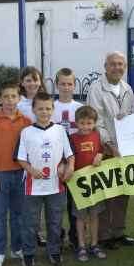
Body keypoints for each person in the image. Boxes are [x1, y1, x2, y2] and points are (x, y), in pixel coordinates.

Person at [16, 92, 74, 266]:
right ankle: (28, 254)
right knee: (31, 223)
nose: (44, 112)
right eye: (40, 108)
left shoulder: (59, 130)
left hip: (56, 186)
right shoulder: (26, 132)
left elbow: (69, 155)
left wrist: (69, 167)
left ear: (52, 109)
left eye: (48, 108)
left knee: (55, 221)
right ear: (33, 110)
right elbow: (20, 158)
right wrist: (31, 170)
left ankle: (54, 250)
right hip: (32, 187)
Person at [86, 51, 134, 249]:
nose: (117, 67)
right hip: (106, 149)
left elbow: (132, 116)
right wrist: (110, 145)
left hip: (126, 149)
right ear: (105, 66)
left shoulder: (127, 88)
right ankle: (104, 236)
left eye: (121, 64)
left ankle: (119, 232)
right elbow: (95, 121)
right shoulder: (96, 89)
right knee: (107, 193)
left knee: (124, 192)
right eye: (113, 64)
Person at [0, 82, 32, 266]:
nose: (10, 101)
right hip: (0, 175)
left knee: (19, 215)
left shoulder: (26, 121)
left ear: (19, 98)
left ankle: (17, 248)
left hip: (20, 174)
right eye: (6, 97)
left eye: (13, 96)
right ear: (0, 99)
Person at [70, 106, 107, 262]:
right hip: (78, 184)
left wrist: (100, 155)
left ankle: (94, 244)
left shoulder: (97, 136)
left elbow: (101, 150)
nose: (86, 126)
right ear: (76, 123)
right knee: (80, 217)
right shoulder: (72, 138)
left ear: (94, 123)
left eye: (89, 123)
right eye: (82, 123)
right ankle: (82, 246)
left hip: (95, 183)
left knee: (94, 214)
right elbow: (68, 157)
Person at [51, 67, 83, 250]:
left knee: (75, 201)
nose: (66, 87)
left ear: (74, 85)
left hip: (75, 160)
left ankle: (75, 236)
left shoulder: (79, 108)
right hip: (55, 160)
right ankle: (57, 236)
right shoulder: (51, 107)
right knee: (56, 204)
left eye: (69, 83)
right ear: (56, 85)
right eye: (62, 84)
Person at [17, 66, 48, 247]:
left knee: (42, 197)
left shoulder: (44, 101)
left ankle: (38, 233)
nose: (32, 83)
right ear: (22, 83)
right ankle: (27, 234)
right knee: (27, 201)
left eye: (35, 79)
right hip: (24, 156)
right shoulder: (19, 104)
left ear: (40, 81)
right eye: (28, 80)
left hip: (43, 155)